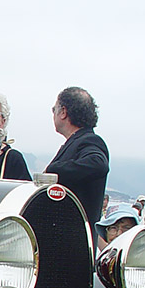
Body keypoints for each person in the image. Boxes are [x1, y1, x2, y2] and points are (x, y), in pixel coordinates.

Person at [46, 87, 109, 226]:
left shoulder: (90, 141)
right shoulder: (76, 141)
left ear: (63, 112)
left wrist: (54, 170)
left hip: (74, 237)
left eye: (54, 109)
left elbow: (98, 164)